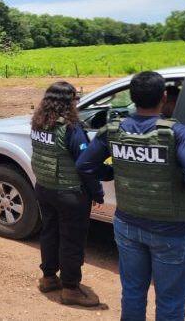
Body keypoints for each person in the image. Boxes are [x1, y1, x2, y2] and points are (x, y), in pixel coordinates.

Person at [77, 71, 185, 321]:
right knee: (170, 303)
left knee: (132, 293)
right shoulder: (178, 133)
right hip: (171, 232)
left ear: (132, 97)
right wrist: (172, 177)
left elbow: (85, 165)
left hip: (127, 225)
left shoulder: (113, 130)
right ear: (163, 98)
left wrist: (111, 172)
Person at [30, 81, 106, 307]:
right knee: (71, 241)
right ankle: (71, 288)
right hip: (69, 193)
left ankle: (48, 278)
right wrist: (97, 193)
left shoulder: (38, 123)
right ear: (67, 101)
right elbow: (85, 165)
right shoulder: (71, 128)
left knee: (50, 233)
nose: (78, 102)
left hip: (44, 188)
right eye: (75, 98)